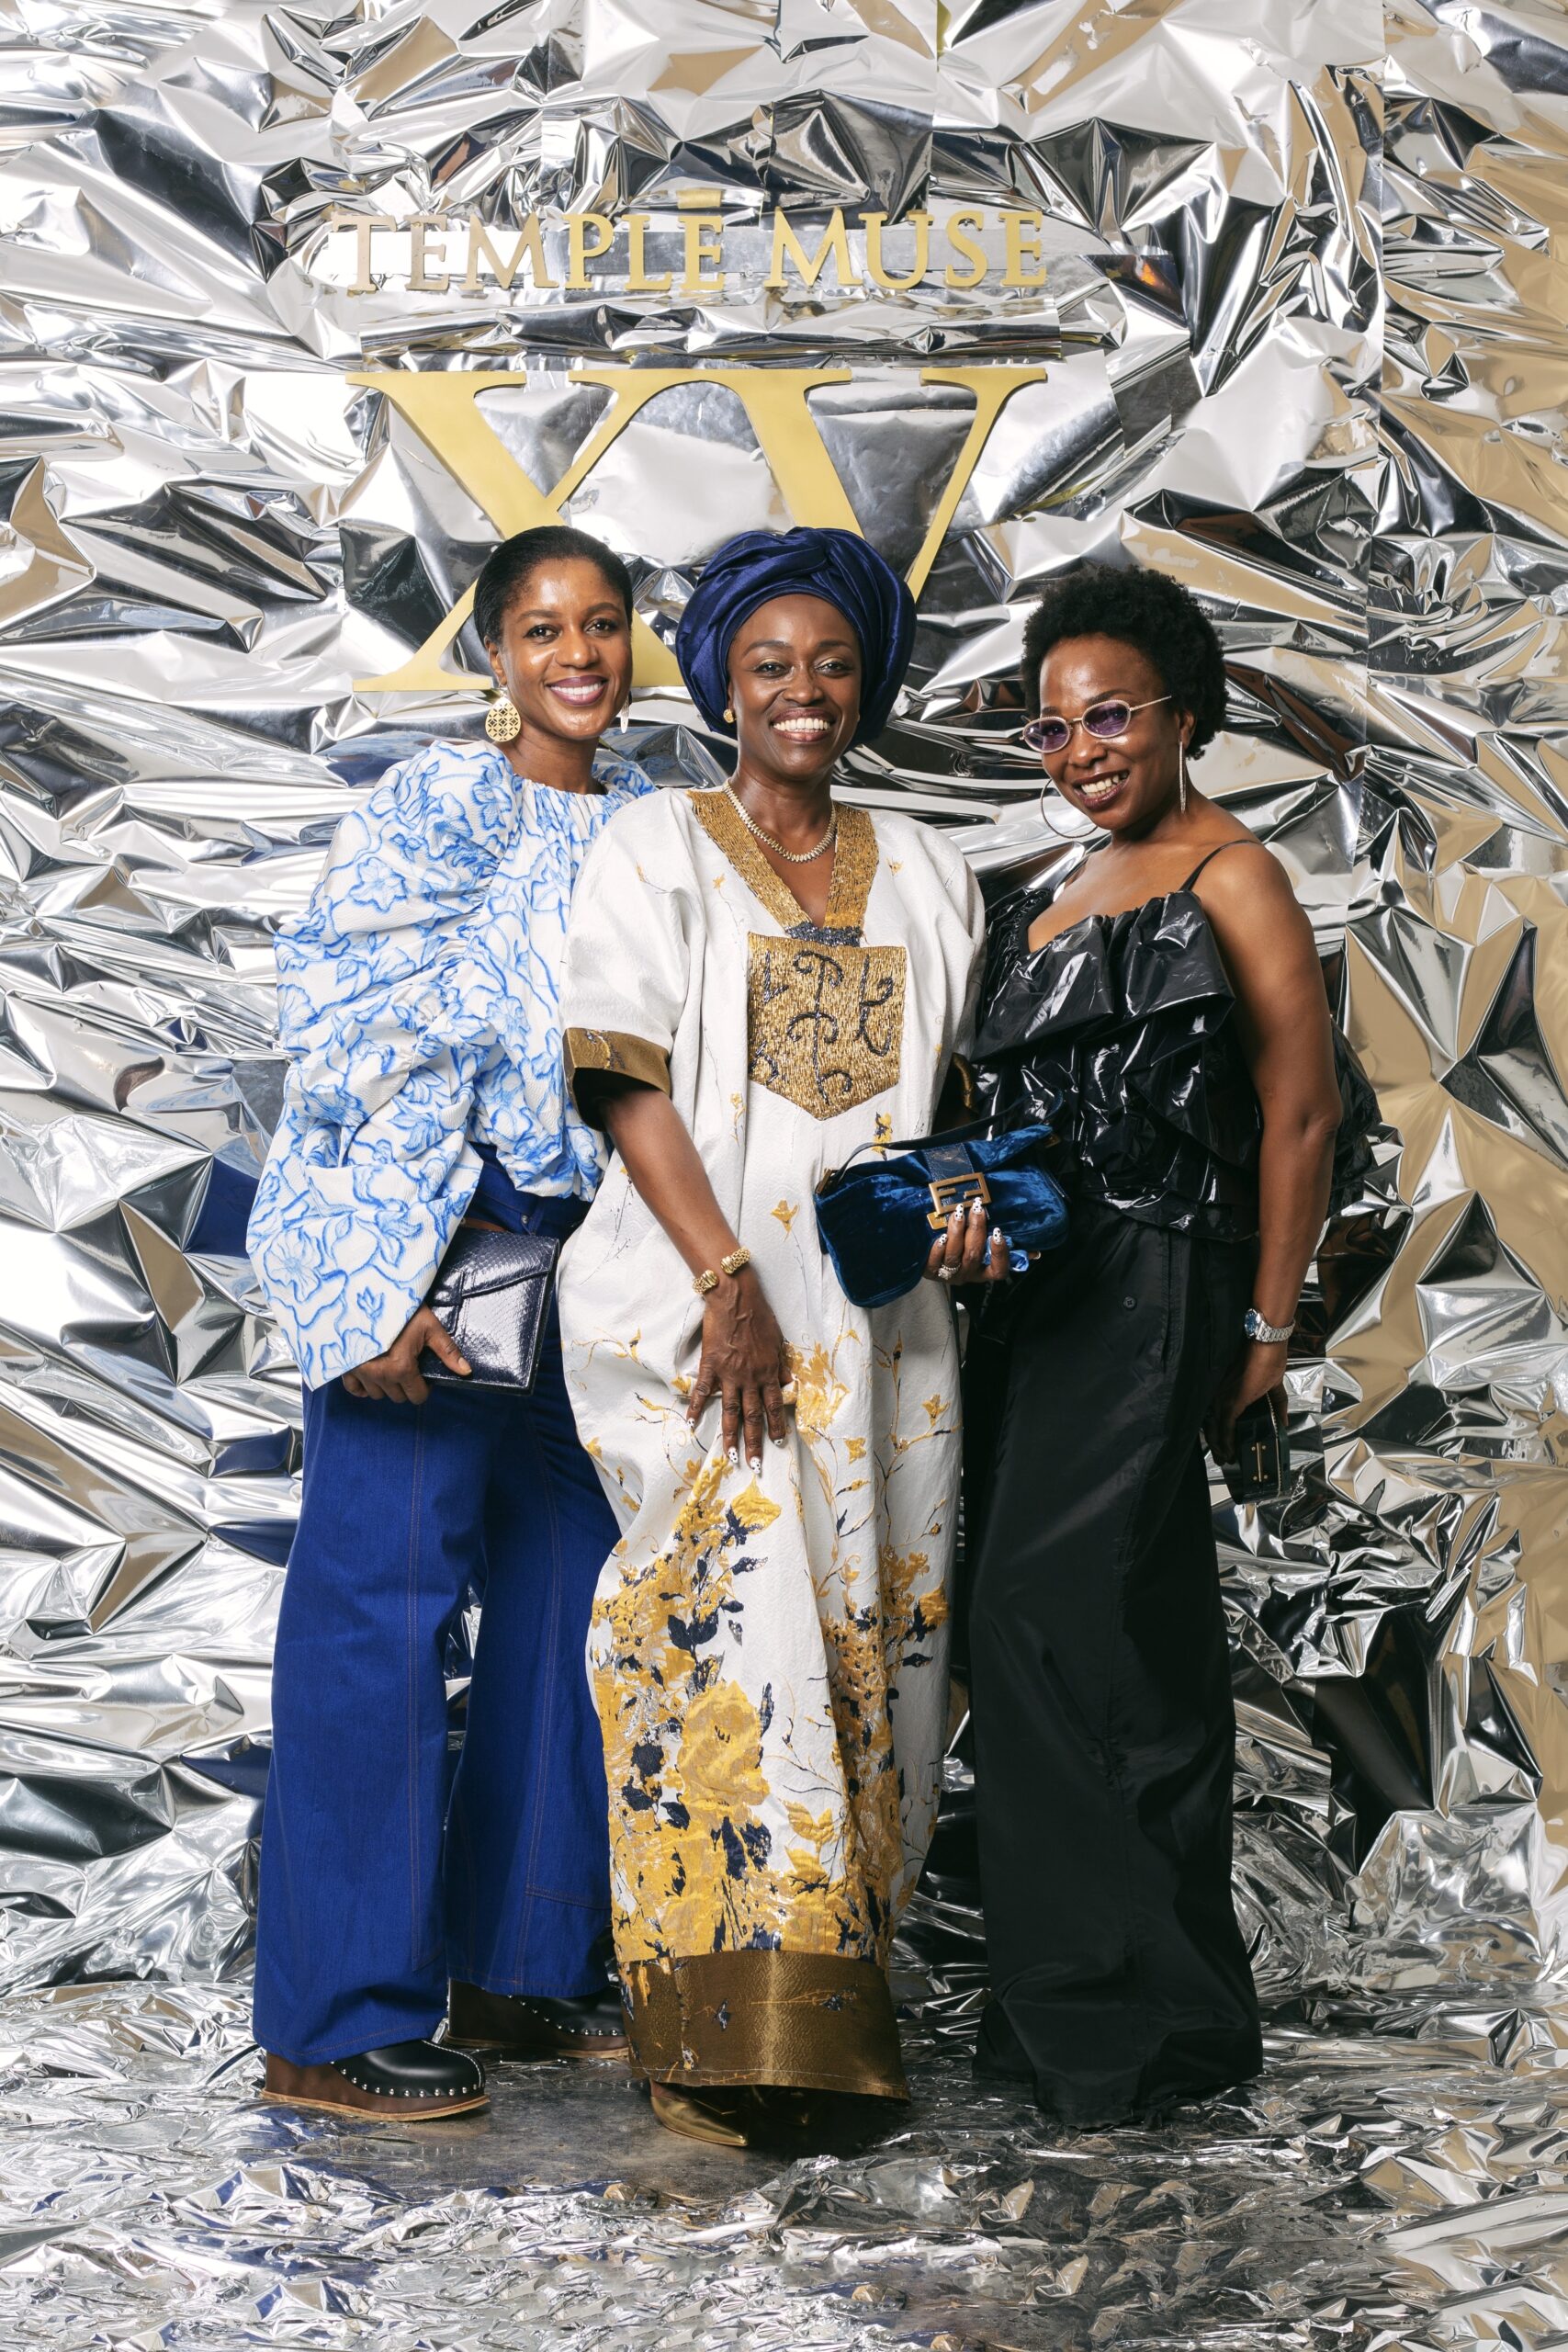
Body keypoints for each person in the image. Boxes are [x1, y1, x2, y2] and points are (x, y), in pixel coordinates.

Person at [556, 526, 1000, 2149]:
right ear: (724, 690)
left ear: (864, 685)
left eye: (831, 664)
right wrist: (727, 1282)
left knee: (881, 1653)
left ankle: (831, 2022)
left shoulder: (934, 872)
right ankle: (712, 2039)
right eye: (768, 666)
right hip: (704, 1316)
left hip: (885, 1340)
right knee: (723, 1647)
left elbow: (949, 1118)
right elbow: (624, 1081)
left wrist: (970, 1212)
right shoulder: (656, 848)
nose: (802, 690)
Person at [245, 525, 653, 2120]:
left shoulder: (652, 823)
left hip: (596, 1257)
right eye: (543, 628)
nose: (578, 654)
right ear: (494, 652)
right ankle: (334, 2021)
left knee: (576, 1602)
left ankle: (520, 1967)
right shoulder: (438, 804)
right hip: (444, 1234)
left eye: (603, 623)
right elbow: (349, 1039)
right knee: (384, 1613)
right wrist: (371, 1287)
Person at [965, 562, 1345, 2126]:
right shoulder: (1057, 894)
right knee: (1124, 1638)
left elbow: (1302, 1112)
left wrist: (1266, 1326)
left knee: (1051, 1621)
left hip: (1159, 1280)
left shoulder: (1234, 874)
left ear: (1184, 715)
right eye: (1053, 729)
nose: (1081, 751)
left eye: (1110, 716)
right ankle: (1154, 2014)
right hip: (1039, 1295)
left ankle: (1103, 2027)